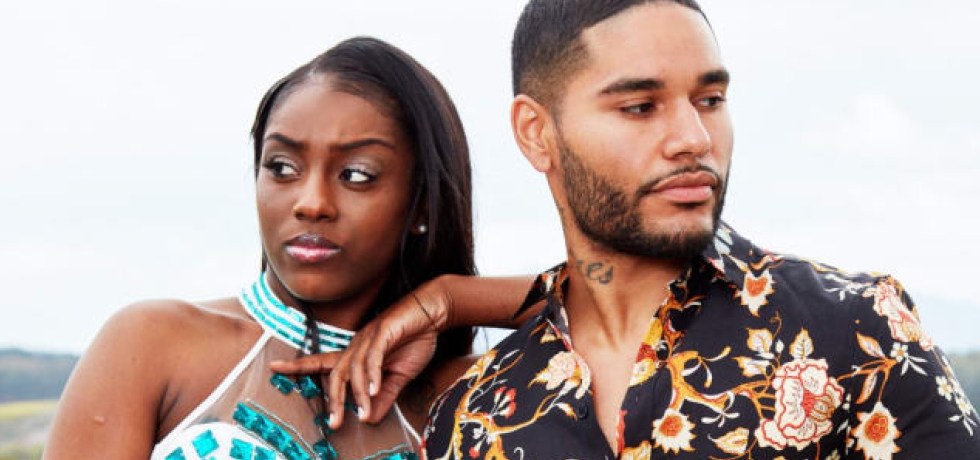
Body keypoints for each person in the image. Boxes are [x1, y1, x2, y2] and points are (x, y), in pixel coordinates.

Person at [275, 1, 980, 458]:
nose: (693, 138)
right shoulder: (472, 414)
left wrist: (452, 297)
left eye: (711, 98)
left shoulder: (859, 330)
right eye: (640, 107)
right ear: (536, 133)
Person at [45, 36, 497, 460]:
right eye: (282, 167)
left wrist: (448, 300)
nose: (311, 203)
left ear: (422, 204)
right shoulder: (154, 343)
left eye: (356, 175)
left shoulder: (461, 402)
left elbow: (548, 312)